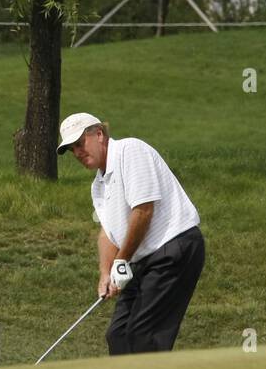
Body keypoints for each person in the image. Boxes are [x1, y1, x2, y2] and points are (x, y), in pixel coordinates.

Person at [57, 113, 205, 355]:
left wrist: (121, 260)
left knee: (143, 336)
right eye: (72, 149)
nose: (77, 153)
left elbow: (144, 211)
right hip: (142, 260)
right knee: (118, 335)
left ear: (99, 134)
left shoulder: (130, 151)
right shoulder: (98, 186)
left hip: (174, 249)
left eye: (80, 143)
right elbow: (107, 233)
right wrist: (106, 273)